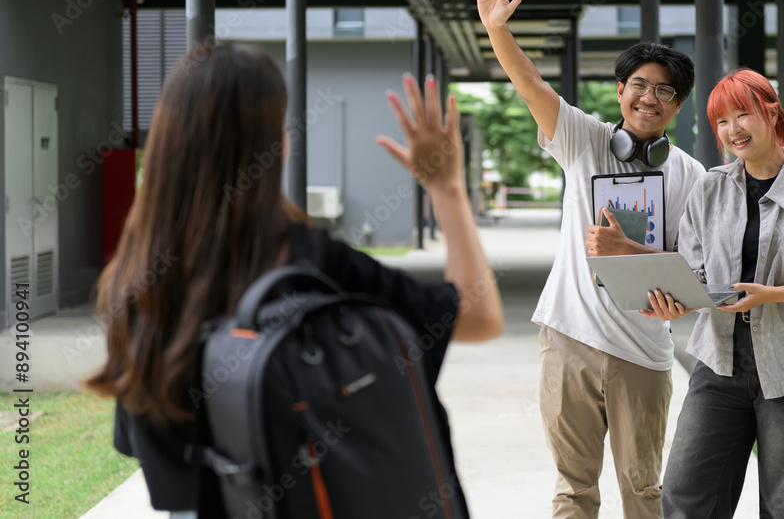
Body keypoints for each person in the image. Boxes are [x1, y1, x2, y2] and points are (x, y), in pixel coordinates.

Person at [85, 42, 503, 518]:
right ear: (273, 145)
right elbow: (479, 316)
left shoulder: (131, 279)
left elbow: (138, 444)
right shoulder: (307, 259)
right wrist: (446, 189)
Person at [471, 0, 705, 518]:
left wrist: (643, 265)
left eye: (666, 92)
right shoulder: (583, 139)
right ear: (620, 89)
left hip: (644, 354)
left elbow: (698, 272)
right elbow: (528, 83)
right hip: (569, 340)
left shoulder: (690, 175)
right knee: (573, 488)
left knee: (644, 491)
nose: (650, 98)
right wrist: (496, 29)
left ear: (678, 105)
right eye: (640, 86)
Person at [642, 68, 784, 518]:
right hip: (719, 363)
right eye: (722, 121)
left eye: (742, 115)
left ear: (772, 113)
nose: (732, 130)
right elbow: (694, 270)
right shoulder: (709, 189)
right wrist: (677, 299)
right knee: (685, 495)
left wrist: (771, 295)